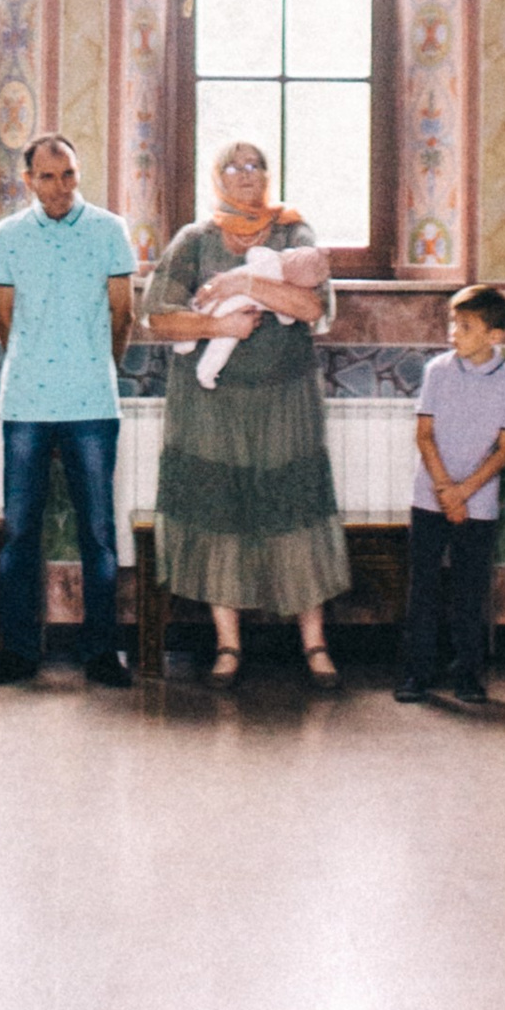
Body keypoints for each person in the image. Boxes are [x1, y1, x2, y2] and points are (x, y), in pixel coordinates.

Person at [144, 139, 349, 685]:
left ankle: (315, 645)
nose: (244, 174)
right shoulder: (194, 240)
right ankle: (228, 647)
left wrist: (243, 283)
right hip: (210, 408)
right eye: (232, 166)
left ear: (267, 174)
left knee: (296, 507)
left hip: (286, 403)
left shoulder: (293, 232)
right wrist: (219, 326)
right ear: (216, 176)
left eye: (254, 165)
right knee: (220, 513)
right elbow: (158, 320)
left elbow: (313, 307)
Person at [0, 135, 136, 690]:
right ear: (27, 180)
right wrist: (32, 363)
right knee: (20, 532)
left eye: (68, 174)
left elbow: (124, 312)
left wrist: (99, 365)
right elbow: (2, 317)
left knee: (98, 532)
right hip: (26, 401)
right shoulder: (8, 237)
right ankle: (18, 652)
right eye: (46, 177)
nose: (59, 187)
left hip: (93, 401)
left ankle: (101, 654)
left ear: (79, 173)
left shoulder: (108, 231)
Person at [398, 284, 505, 709]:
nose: (454, 332)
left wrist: (464, 493)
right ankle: (418, 672)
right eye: (454, 323)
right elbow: (424, 434)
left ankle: (468, 674)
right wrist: (444, 491)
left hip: (479, 502)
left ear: (494, 336)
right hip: (430, 497)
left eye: (466, 326)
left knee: (471, 591)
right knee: (425, 588)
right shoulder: (438, 370)